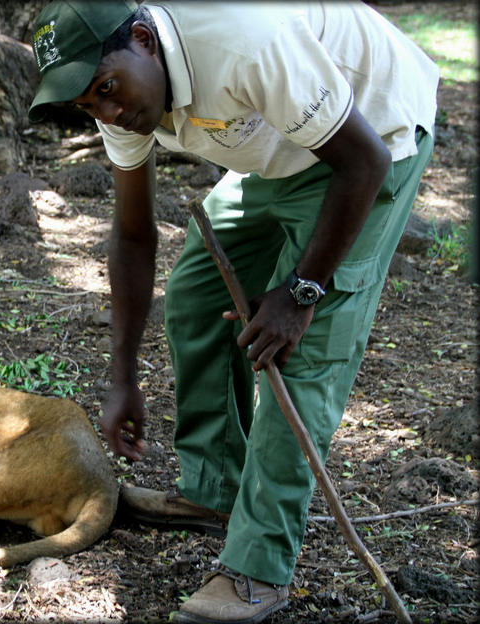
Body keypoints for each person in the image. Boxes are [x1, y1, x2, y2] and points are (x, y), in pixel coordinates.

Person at [27, 2, 438, 623]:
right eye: (87, 105)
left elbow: (363, 161)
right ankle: (215, 492)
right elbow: (134, 236)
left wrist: (301, 292)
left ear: (143, 39)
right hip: (285, 141)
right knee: (197, 294)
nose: (107, 113)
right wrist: (122, 377)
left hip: (372, 133)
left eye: (106, 90)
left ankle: (257, 569)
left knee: (298, 355)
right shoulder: (121, 94)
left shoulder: (245, 41)